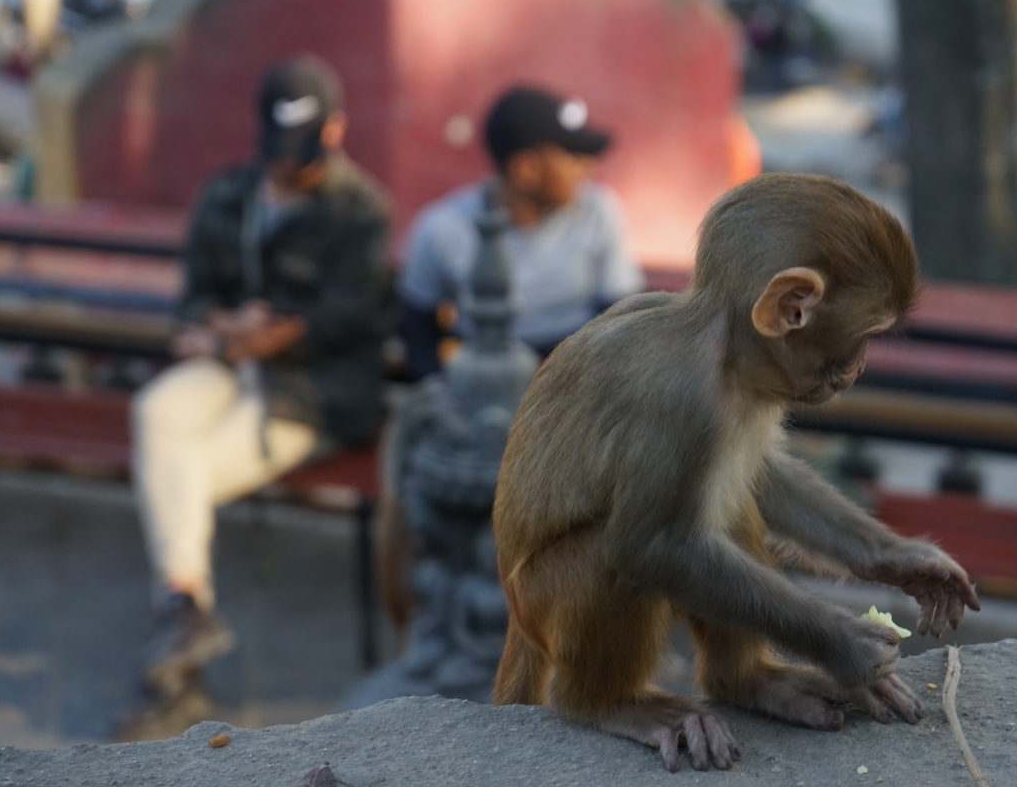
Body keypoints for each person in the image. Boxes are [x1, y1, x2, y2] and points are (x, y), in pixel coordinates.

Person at [115, 54, 391, 736]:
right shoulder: (227, 196)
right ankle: (185, 613)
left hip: (309, 392)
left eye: (300, 149)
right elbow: (195, 301)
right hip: (226, 362)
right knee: (155, 413)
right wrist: (227, 329)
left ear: (336, 131)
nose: (285, 164)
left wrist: (248, 337)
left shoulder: (360, 212)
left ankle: (177, 667)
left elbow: (341, 321)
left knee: (180, 478)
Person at [399, 86, 643, 374]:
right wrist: (443, 395)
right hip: (483, 377)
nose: (587, 168)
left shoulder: (598, 212)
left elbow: (622, 316)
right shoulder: (442, 229)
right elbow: (417, 330)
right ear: (526, 169)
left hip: (574, 373)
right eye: (573, 157)